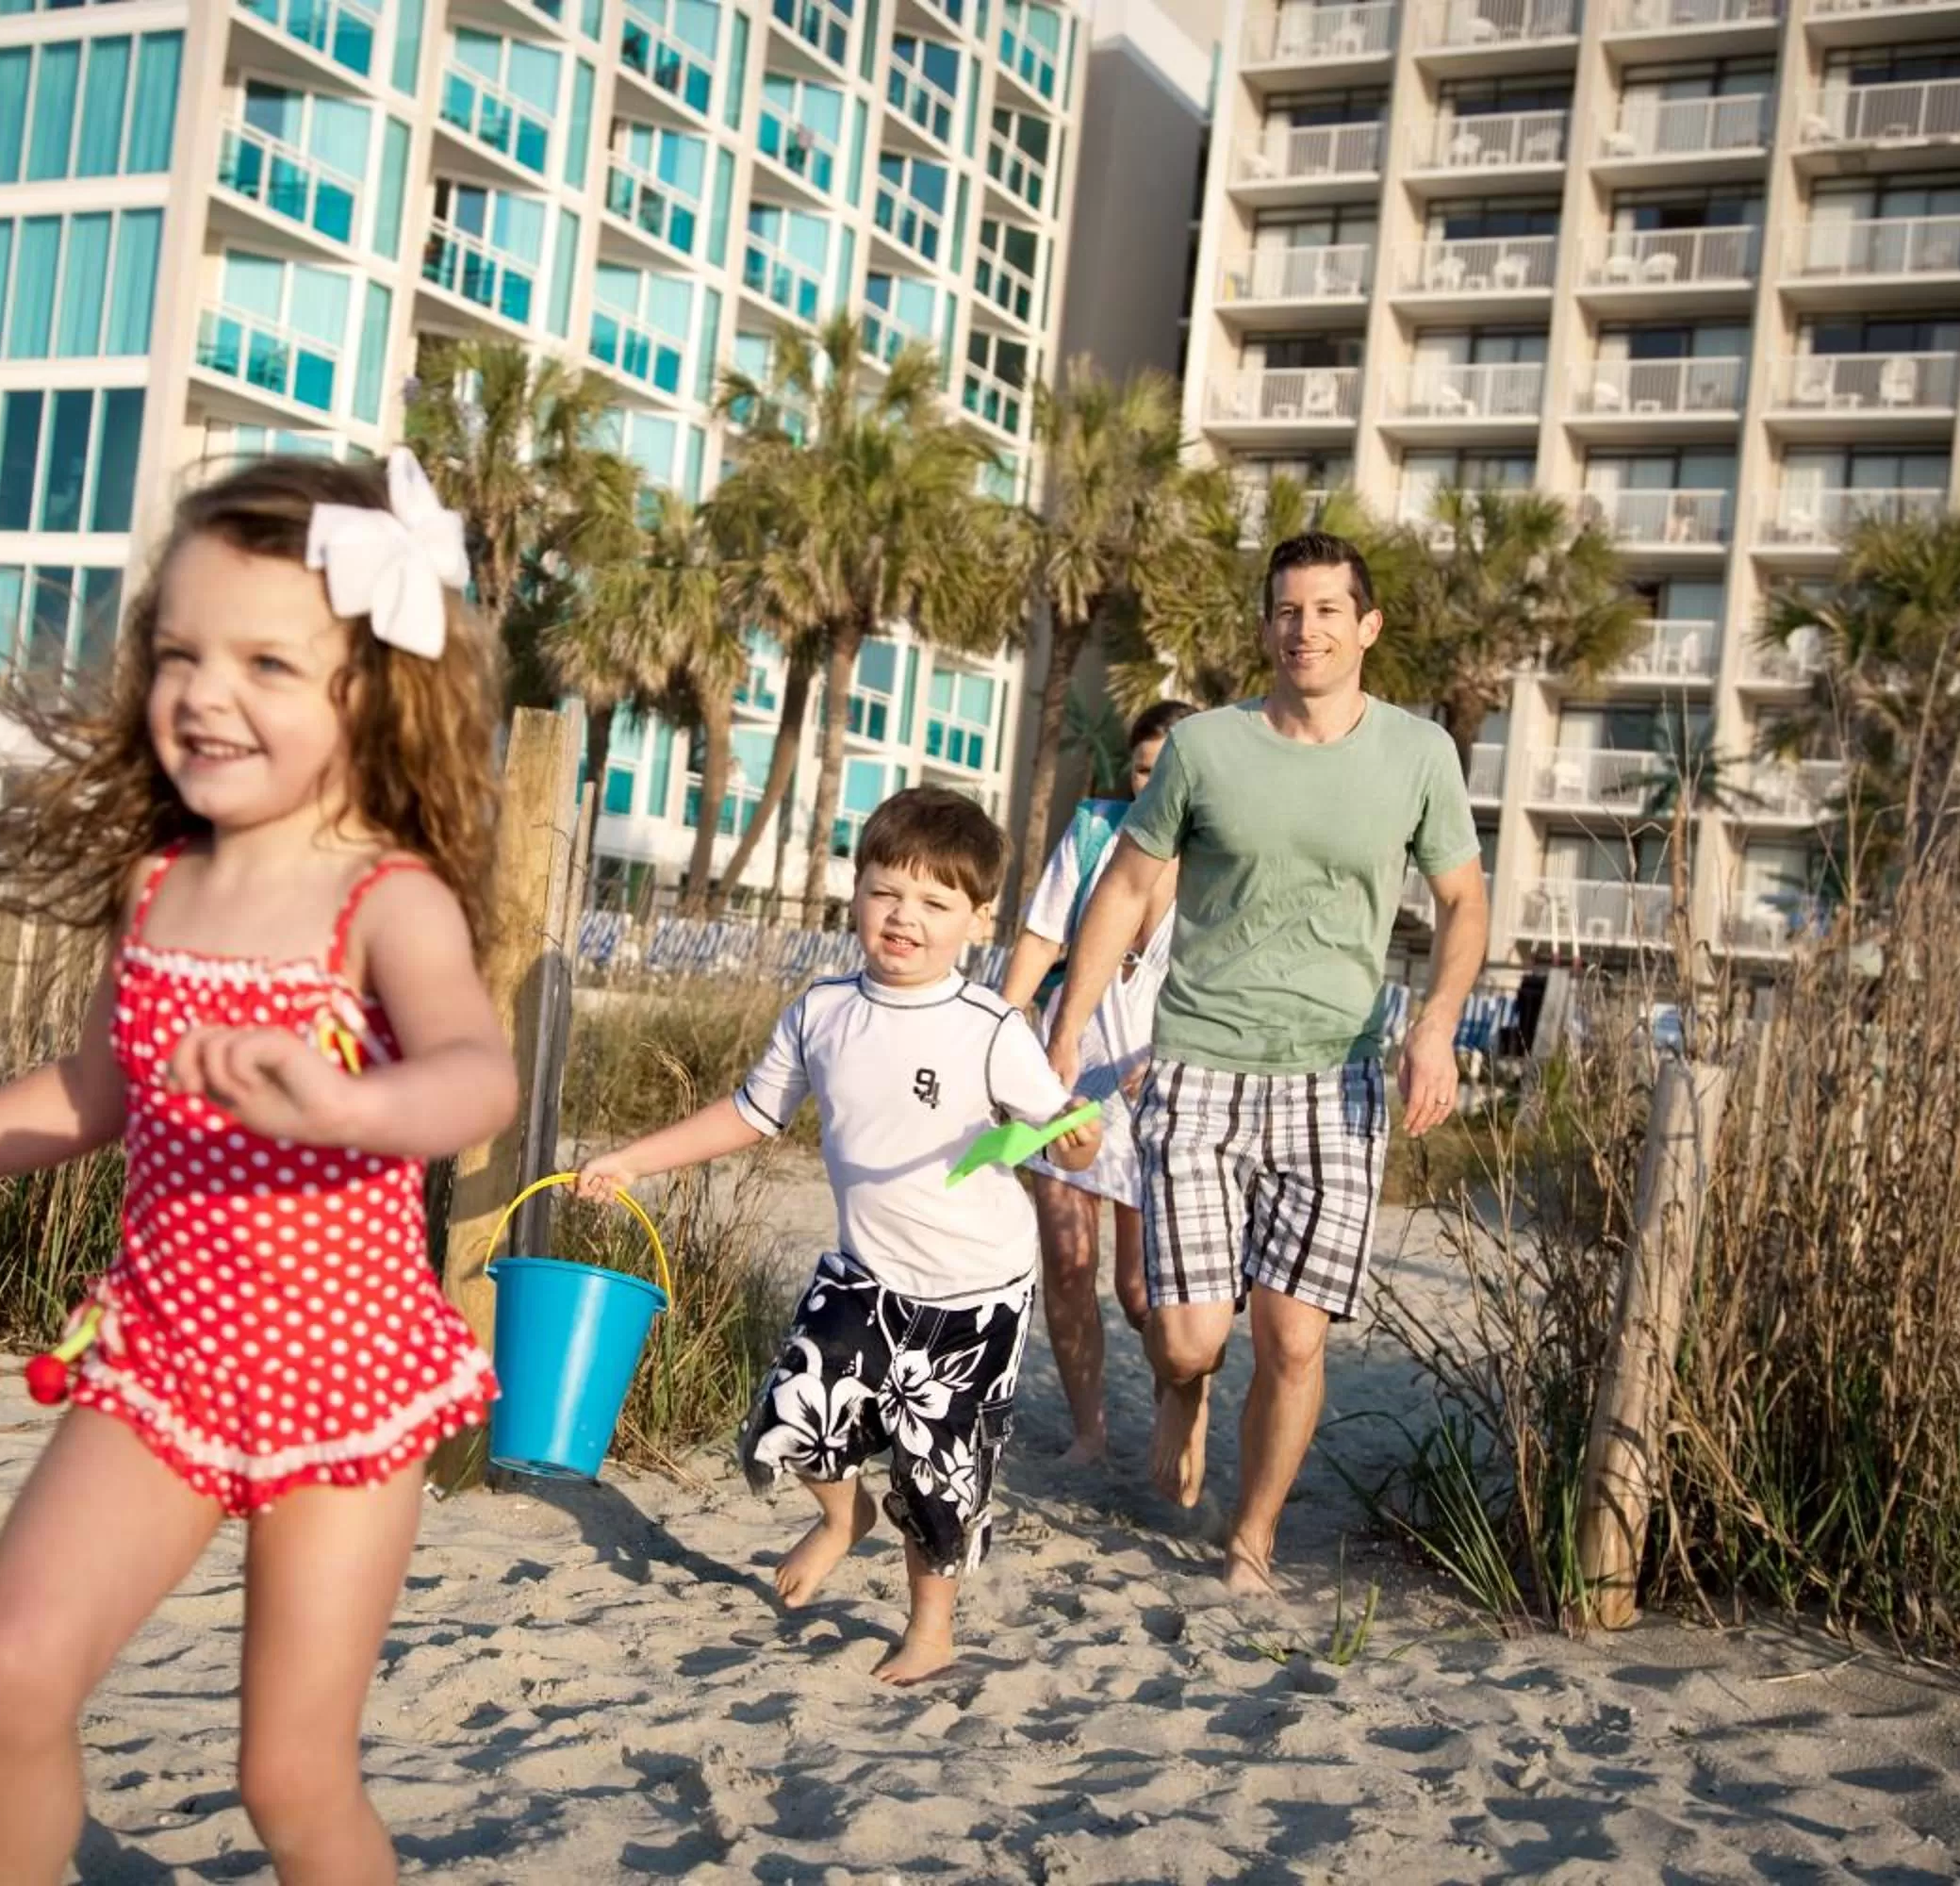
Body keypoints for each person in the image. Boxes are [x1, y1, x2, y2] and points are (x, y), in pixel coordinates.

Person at [0, 451, 515, 1882]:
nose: (205, 692)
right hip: (159, 1359)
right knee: (9, 1674)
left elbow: (479, 1072)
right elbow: (92, 1090)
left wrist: (352, 1110)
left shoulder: (385, 897)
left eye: (266, 662)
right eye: (178, 652)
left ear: (372, 689)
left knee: (289, 1778)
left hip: (344, 1378)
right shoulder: (160, 884)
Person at [575, 787, 1103, 1684]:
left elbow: (1068, 1132)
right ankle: (840, 1515)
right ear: (854, 894)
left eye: (936, 904)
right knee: (785, 1425)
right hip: (865, 1273)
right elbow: (750, 1114)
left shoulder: (991, 1029)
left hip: (975, 1294)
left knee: (939, 1477)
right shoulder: (821, 1010)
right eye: (886, 892)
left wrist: (1080, 1136)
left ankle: (930, 1628)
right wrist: (634, 1160)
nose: (905, 917)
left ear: (977, 921)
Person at [1047, 531, 1489, 1595]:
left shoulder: (1419, 753)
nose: (1307, 628)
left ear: (1367, 626)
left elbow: (1464, 899)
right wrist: (1064, 1036)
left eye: (1329, 609)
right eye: (1289, 610)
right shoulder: (1206, 747)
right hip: (1198, 1065)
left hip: (1335, 1080)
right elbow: (1122, 887)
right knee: (1188, 1334)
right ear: (1267, 626)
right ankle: (1182, 1391)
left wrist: (1436, 1024)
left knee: (1294, 1339)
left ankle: (1251, 1536)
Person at [999, 699, 1196, 1466]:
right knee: (1069, 1262)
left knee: (1145, 1290)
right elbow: (1041, 936)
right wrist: (1001, 1032)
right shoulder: (1092, 836)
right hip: (1067, 1073)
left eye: (1171, 767)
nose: (1156, 782)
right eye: (1145, 767)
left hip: (1164, 1092)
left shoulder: (1223, 856)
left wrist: (1181, 1057)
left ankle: (1170, 1425)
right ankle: (1090, 1433)